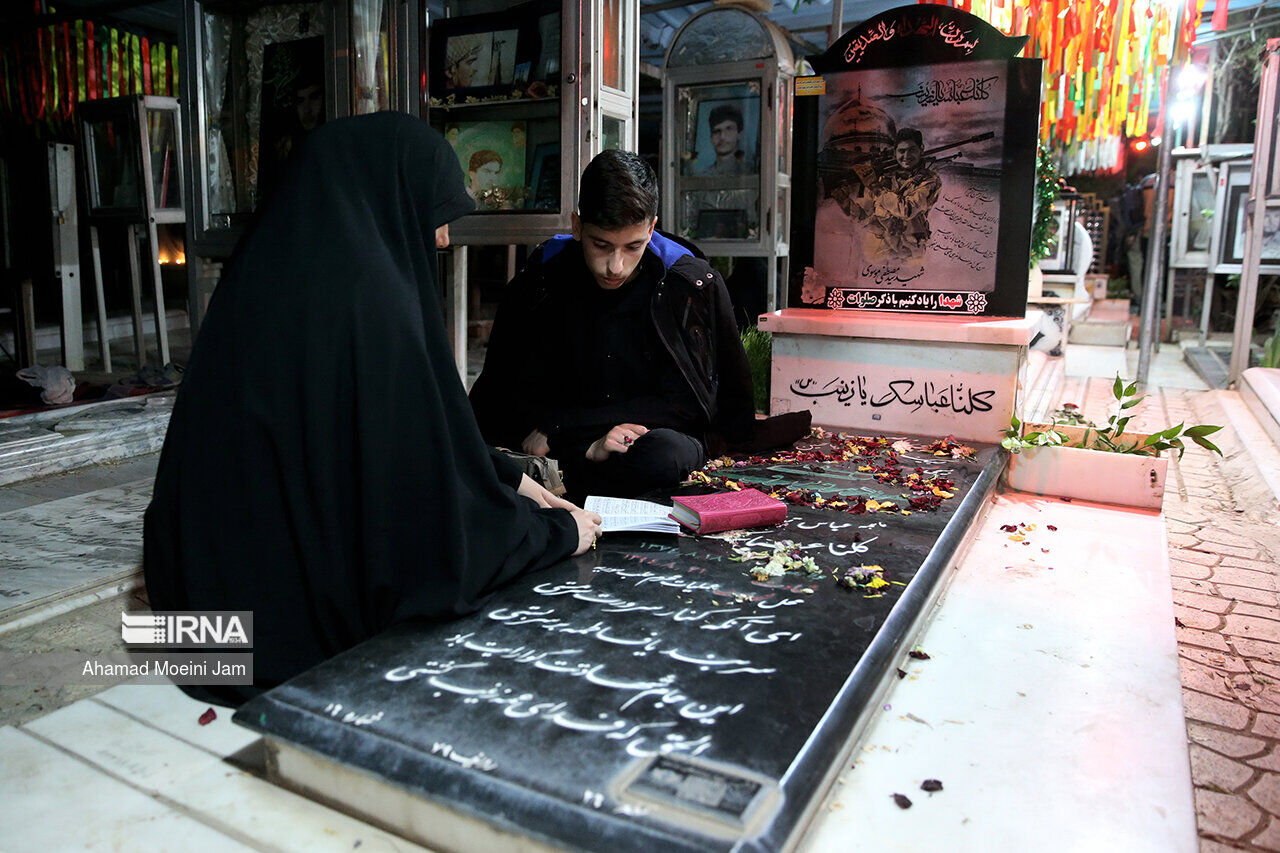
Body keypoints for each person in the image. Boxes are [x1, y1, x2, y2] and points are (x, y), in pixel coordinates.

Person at [143, 113, 600, 707]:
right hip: (285, 635)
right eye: (437, 213)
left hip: (200, 623)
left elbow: (417, 432)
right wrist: (555, 534)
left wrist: (517, 483)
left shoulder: (266, 273)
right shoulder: (370, 303)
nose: (443, 239)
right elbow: (425, 533)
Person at [469, 149, 756, 500]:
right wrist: (585, 442)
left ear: (652, 228)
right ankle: (569, 470)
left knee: (663, 454)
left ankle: (562, 477)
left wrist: (566, 429)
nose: (615, 266)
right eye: (601, 245)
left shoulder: (687, 282)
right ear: (577, 226)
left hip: (640, 438)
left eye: (633, 246)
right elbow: (499, 392)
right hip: (558, 440)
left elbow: (690, 405)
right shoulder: (541, 279)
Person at [849, 128, 942, 261]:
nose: (906, 156)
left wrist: (876, 187)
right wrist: (845, 203)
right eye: (902, 151)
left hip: (911, 253)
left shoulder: (929, 180)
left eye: (912, 150)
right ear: (895, 152)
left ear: (921, 149)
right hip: (881, 251)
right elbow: (868, 219)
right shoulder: (885, 179)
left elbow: (907, 210)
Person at [697, 103, 753, 176]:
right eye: (716, 131)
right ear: (711, 138)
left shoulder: (752, 172)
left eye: (729, 129)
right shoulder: (703, 176)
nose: (722, 137)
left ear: (739, 134)